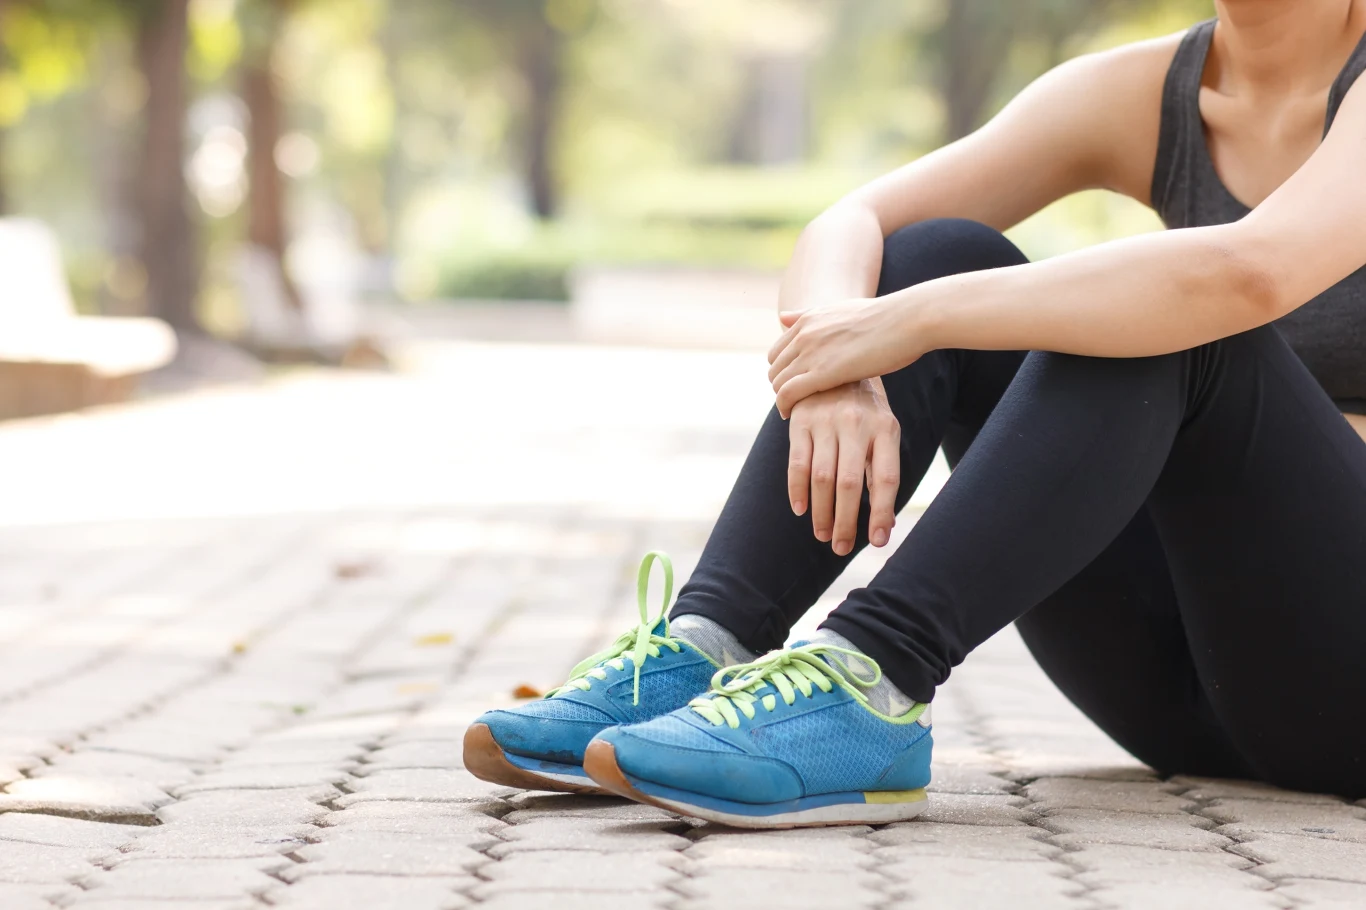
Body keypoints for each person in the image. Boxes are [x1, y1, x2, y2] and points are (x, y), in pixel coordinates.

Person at [465, 0, 1366, 828]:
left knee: (1181, 322)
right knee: (936, 251)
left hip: (1343, 678)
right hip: (1177, 684)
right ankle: (705, 646)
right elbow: (850, 222)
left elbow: (1249, 274)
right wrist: (839, 373)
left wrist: (906, 322)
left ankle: (871, 683)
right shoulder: (1151, 89)